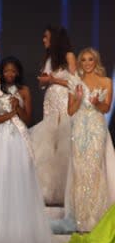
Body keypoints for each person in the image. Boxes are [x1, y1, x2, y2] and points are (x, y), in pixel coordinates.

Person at [0, 56, 53, 243]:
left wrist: (18, 107)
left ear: (18, 72)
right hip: (1, 141)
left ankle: (21, 234)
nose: (9, 74)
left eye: (13, 71)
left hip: (19, 141)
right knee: (1, 184)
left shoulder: (24, 91)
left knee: (19, 183)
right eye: (6, 70)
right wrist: (9, 115)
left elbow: (28, 119)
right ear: (1, 71)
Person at [56, 47, 115, 233]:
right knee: (80, 170)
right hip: (80, 128)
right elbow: (70, 111)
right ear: (80, 63)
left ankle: (96, 217)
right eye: (84, 60)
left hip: (97, 128)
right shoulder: (75, 82)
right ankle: (81, 218)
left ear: (96, 61)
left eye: (91, 60)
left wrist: (97, 103)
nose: (88, 63)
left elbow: (106, 109)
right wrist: (78, 98)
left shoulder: (106, 81)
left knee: (96, 169)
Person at [31, 25, 76, 205]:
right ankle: (48, 190)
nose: (43, 40)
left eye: (46, 37)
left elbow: (74, 81)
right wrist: (44, 81)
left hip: (63, 101)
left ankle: (64, 191)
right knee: (48, 145)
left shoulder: (69, 56)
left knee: (63, 142)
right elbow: (44, 83)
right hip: (49, 101)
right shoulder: (48, 58)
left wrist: (52, 80)